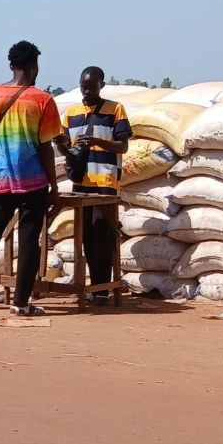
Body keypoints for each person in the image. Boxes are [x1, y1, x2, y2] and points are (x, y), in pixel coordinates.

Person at [0, 41, 62, 316]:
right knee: (30, 240)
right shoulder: (43, 99)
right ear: (34, 66)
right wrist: (54, 187)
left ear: (11, 65)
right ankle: (21, 302)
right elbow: (46, 148)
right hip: (32, 183)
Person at [55, 66, 131, 305]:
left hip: (105, 182)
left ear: (102, 85)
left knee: (103, 236)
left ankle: (101, 291)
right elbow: (65, 148)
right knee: (87, 237)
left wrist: (98, 142)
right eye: (83, 86)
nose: (86, 91)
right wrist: (65, 147)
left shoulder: (115, 110)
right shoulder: (71, 114)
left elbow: (122, 147)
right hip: (81, 184)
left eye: (91, 87)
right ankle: (95, 288)